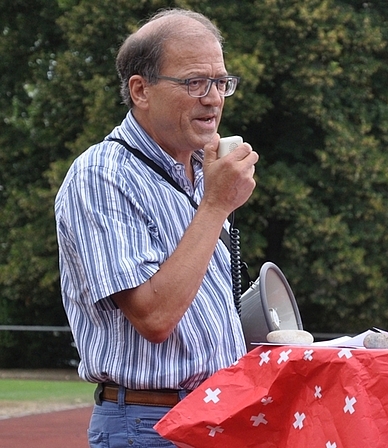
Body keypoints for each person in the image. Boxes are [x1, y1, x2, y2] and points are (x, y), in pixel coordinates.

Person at [54, 8, 259, 447]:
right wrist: (217, 206)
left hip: (219, 417)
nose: (214, 98)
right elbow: (155, 317)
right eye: (194, 82)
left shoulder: (203, 174)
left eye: (221, 82)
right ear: (140, 90)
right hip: (148, 425)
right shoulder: (101, 174)